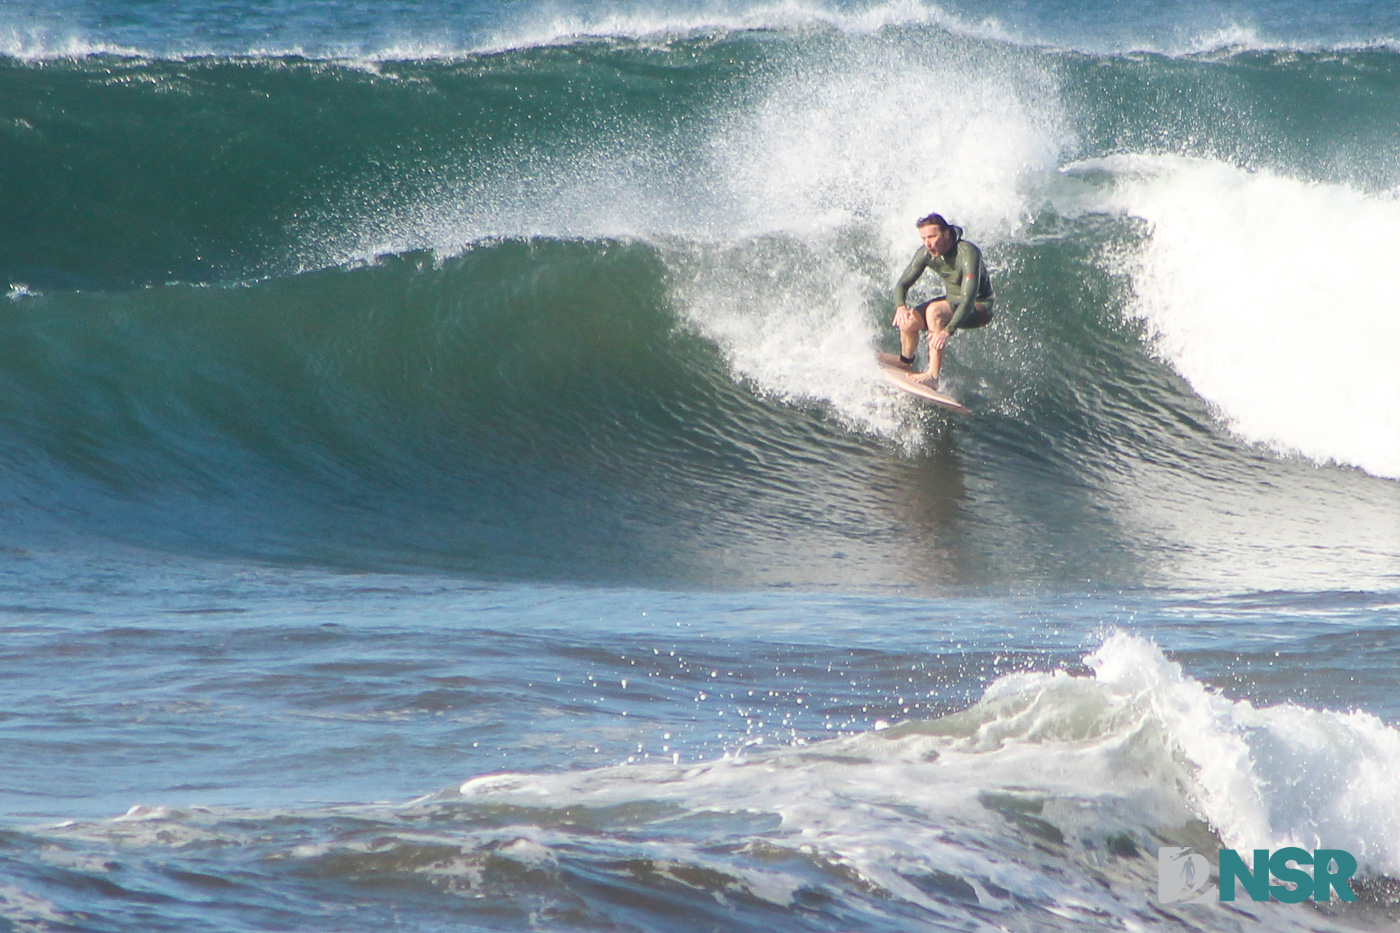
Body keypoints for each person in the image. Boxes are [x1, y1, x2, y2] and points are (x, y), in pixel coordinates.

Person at [890, 212, 995, 388]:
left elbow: (968, 298)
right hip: (953, 301)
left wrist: (947, 331)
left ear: (946, 234)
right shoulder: (926, 253)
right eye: (924, 238)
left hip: (979, 306)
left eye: (932, 236)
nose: (927, 243)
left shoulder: (968, 252)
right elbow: (902, 284)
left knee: (934, 311)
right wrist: (900, 306)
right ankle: (905, 361)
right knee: (907, 321)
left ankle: (933, 375)